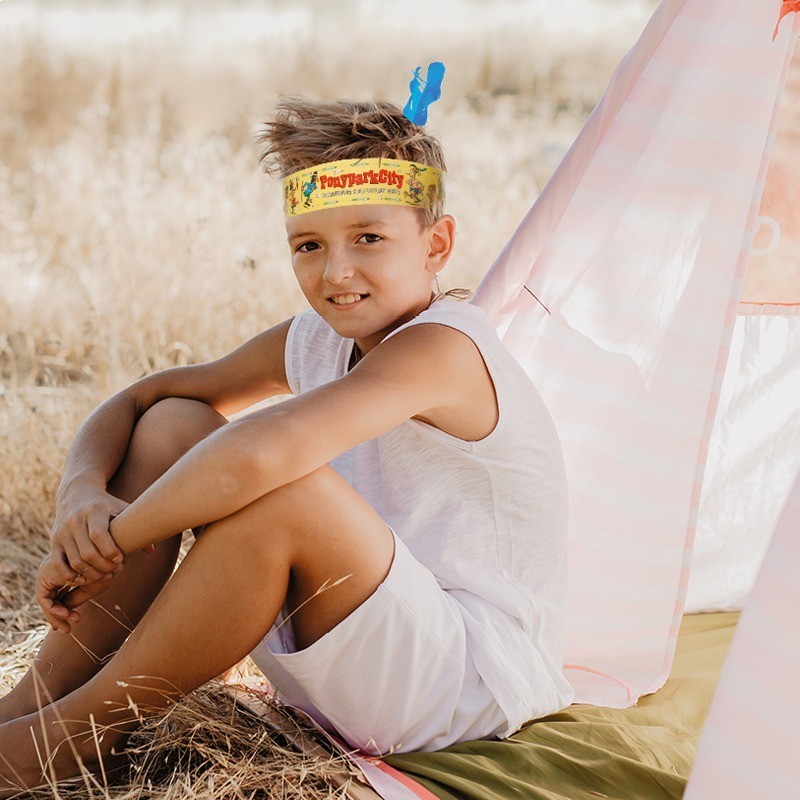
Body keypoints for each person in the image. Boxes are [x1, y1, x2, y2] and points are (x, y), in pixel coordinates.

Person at [0, 96, 573, 793]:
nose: (336, 273)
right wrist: (80, 498)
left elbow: (262, 455)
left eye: (368, 238)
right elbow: (143, 398)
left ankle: (69, 740)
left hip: (462, 679)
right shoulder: (317, 339)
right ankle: (33, 705)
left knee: (285, 491)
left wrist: (110, 541)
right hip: (360, 633)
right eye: (310, 245)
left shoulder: (443, 349)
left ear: (437, 245)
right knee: (175, 423)